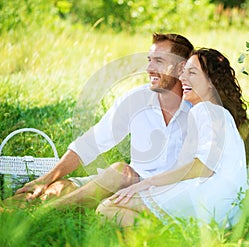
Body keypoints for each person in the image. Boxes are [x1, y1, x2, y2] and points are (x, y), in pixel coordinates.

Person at [6, 33, 194, 208]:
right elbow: (90, 144)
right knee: (58, 188)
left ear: (180, 68)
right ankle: (6, 212)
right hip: (126, 183)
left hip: (164, 195)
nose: (149, 68)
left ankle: (44, 213)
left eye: (159, 61)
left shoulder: (199, 109)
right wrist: (45, 179)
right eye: (149, 60)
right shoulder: (136, 100)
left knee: (120, 171)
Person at [96, 48, 249, 227]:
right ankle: (166, 233)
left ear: (211, 82)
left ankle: (168, 236)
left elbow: (204, 167)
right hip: (226, 206)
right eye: (183, 72)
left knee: (106, 208)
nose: (183, 78)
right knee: (120, 208)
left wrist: (148, 183)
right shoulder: (219, 113)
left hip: (204, 198)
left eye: (192, 73)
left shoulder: (205, 110)